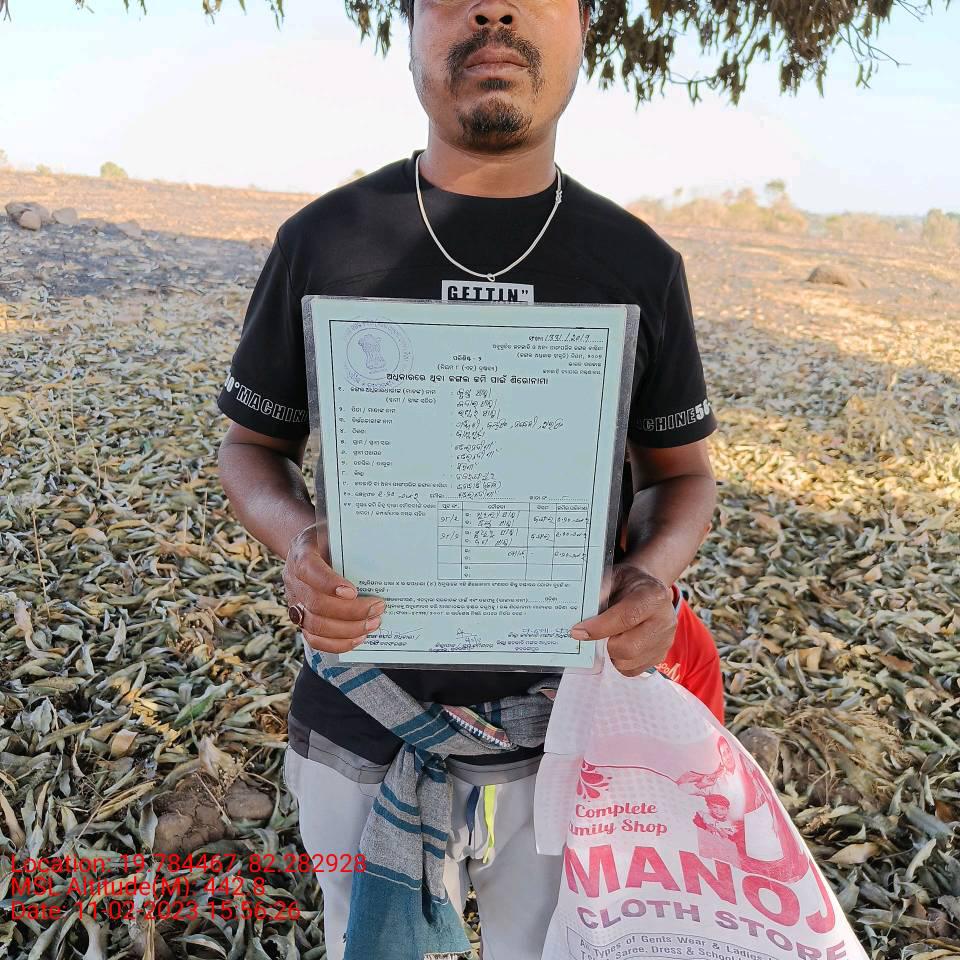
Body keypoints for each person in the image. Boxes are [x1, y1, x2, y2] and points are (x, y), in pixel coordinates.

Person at [215, 1, 719, 957]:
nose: (493, 9)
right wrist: (299, 541)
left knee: (554, 946)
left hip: (570, 728)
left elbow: (682, 475)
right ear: (407, 30)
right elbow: (250, 447)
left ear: (584, 27)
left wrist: (652, 577)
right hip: (360, 718)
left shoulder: (639, 264)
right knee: (362, 940)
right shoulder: (322, 240)